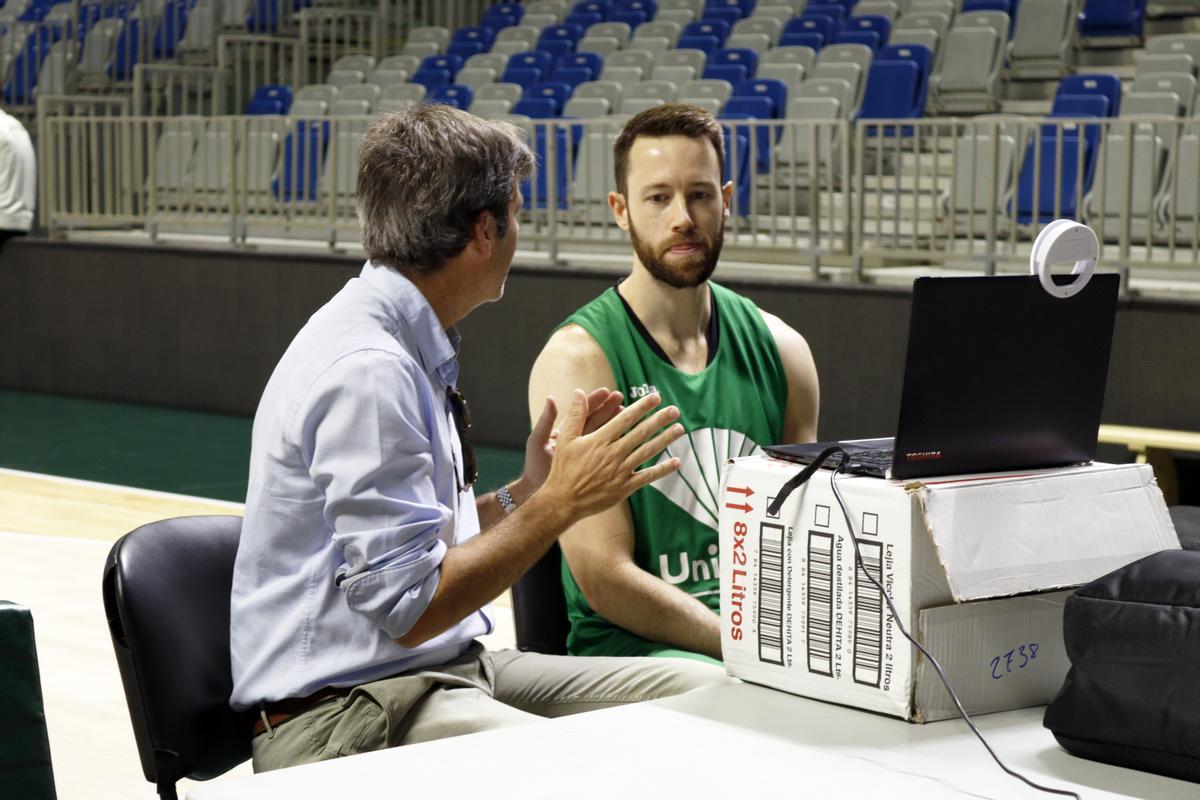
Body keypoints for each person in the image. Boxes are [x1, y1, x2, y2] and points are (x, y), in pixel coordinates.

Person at [229, 104, 730, 773]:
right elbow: (410, 607)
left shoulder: (397, 335)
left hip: (439, 676)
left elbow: (428, 547)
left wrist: (532, 491)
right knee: (573, 772)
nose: (520, 231)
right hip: (344, 715)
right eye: (516, 214)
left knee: (706, 692)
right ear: (485, 230)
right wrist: (561, 505)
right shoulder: (370, 372)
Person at [528, 104, 820, 664]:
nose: (683, 217)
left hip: (758, 643)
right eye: (658, 197)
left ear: (727, 200)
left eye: (701, 195)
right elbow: (604, 577)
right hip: (633, 654)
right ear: (621, 210)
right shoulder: (580, 361)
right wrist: (745, 648)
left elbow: (798, 536)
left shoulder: (784, 351)